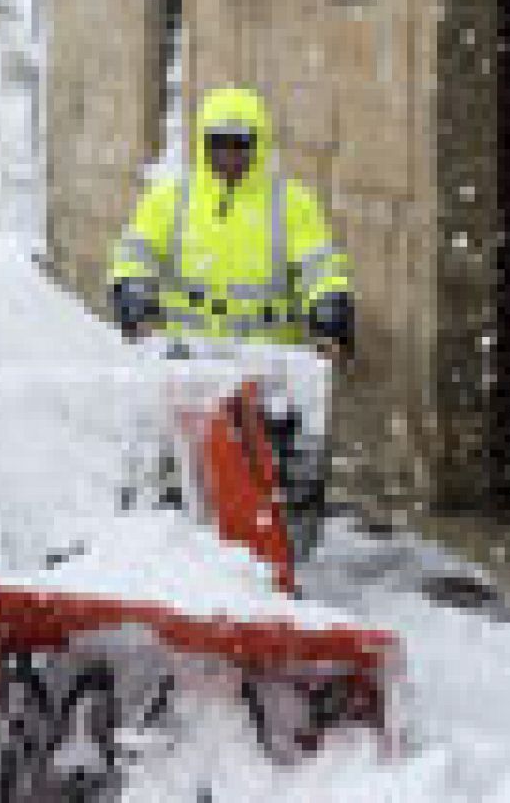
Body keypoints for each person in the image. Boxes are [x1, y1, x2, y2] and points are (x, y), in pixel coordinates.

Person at [107, 85, 354, 560]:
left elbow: (321, 267)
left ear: (258, 145)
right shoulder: (170, 201)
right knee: (163, 461)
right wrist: (135, 299)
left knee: (274, 470)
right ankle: (145, 553)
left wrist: (329, 313)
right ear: (203, 144)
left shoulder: (291, 204)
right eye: (219, 143)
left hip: (265, 370)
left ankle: (276, 558)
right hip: (184, 358)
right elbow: (133, 257)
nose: (230, 154)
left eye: (241, 144)